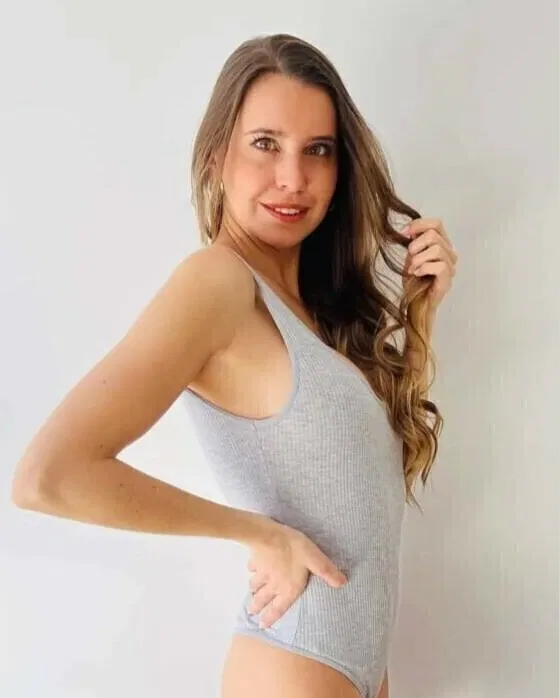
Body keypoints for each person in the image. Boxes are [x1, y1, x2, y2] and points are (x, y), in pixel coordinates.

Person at [11, 33, 457, 698]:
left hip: (358, 669)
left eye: (318, 150)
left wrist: (420, 315)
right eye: (265, 144)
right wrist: (259, 536)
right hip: (294, 662)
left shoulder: (313, 316)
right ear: (217, 154)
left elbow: (364, 486)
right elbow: (49, 476)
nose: (293, 178)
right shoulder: (217, 283)